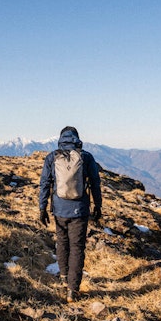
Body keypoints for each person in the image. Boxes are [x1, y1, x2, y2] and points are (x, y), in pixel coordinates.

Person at [38, 126, 102, 302]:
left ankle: (64, 277)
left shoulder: (52, 157)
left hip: (59, 209)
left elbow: (44, 184)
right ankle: (73, 290)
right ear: (77, 138)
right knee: (77, 247)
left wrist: (42, 208)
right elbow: (95, 183)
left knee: (62, 242)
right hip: (79, 209)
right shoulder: (86, 157)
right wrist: (98, 206)